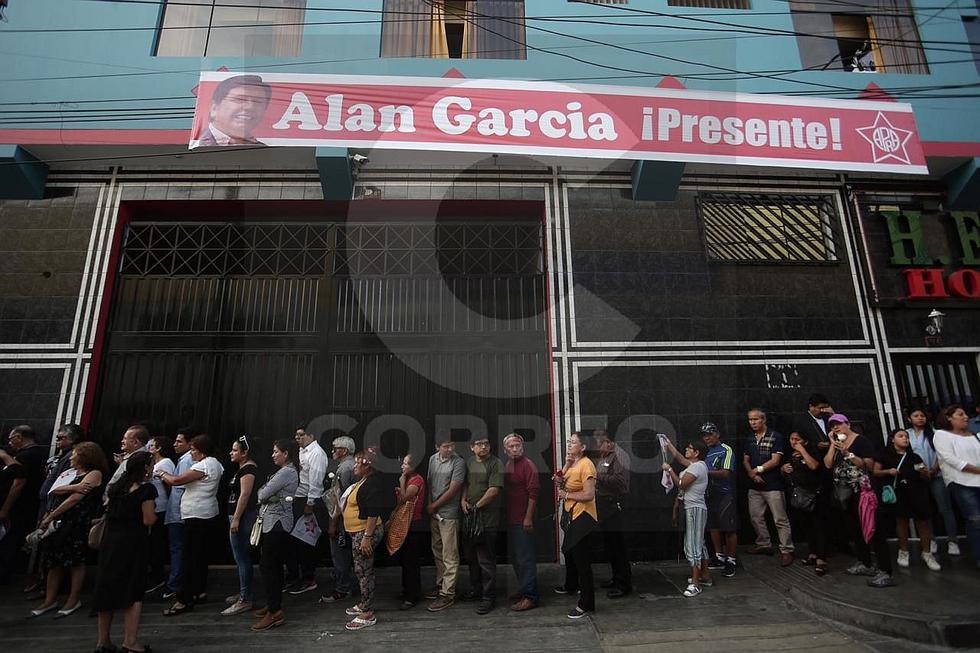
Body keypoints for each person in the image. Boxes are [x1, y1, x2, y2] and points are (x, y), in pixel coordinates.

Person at [29, 441, 107, 618]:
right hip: (59, 520)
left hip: (76, 522)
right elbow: (54, 490)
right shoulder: (69, 473)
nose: (71, 457)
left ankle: (73, 599)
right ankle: (50, 599)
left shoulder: (94, 474)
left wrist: (51, 515)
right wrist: (72, 487)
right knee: (53, 561)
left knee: (75, 561)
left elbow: (74, 499)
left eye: (75, 454)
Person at [92, 451, 156, 653]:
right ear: (146, 467)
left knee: (107, 587)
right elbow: (148, 519)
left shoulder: (116, 488)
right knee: (132, 590)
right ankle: (130, 641)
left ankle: (103, 641)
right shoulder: (146, 490)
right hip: (132, 542)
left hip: (110, 542)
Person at [823, 414, 895, 587]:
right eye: (832, 426)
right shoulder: (836, 443)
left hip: (862, 492)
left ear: (848, 424)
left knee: (873, 529)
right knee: (854, 529)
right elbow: (827, 464)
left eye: (838, 424)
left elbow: (868, 465)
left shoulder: (861, 441)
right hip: (843, 492)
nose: (835, 428)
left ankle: (885, 570)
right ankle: (865, 563)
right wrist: (833, 446)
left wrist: (847, 453)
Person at [160, 434, 224, 615]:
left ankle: (183, 599)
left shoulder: (203, 465)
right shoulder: (216, 464)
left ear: (202, 450)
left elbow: (176, 481)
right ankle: (199, 591)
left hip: (196, 514)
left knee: (189, 557)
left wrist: (161, 473)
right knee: (201, 555)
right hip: (207, 512)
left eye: (194, 450)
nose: (192, 453)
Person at [873, 429, 941, 572]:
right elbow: (876, 471)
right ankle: (903, 551)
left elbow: (926, 476)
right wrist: (888, 471)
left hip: (917, 492)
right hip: (899, 493)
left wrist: (924, 473)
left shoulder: (914, 457)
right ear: (892, 439)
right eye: (901, 436)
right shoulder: (885, 455)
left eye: (907, 437)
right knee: (901, 522)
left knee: (923, 523)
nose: (905, 439)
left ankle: (927, 553)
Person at [251, 439, 300, 632]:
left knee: (268, 565)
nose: (273, 455)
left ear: (286, 453)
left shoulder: (287, 472)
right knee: (274, 565)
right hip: (274, 522)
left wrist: (266, 493)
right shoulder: (283, 472)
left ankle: (275, 610)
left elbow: (262, 494)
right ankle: (273, 603)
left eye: (276, 451)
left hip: (277, 524)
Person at [342, 448, 393, 631]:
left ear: (368, 467)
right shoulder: (363, 481)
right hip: (358, 532)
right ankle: (364, 603)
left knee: (364, 570)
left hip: (365, 532)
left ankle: (368, 611)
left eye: (358, 462)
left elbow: (373, 512)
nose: (355, 465)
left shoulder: (372, 483)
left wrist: (367, 538)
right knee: (361, 569)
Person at [555, 432, 598, 619]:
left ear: (583, 447)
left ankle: (586, 603)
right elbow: (558, 481)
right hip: (571, 514)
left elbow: (589, 495)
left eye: (573, 443)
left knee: (582, 561)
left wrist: (567, 496)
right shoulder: (574, 463)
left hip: (583, 516)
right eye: (569, 442)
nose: (569, 445)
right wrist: (566, 463)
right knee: (570, 551)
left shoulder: (587, 465)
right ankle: (573, 586)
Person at [743, 408, 794, 565]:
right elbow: (746, 459)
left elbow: (775, 460)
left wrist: (757, 470)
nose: (753, 422)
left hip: (772, 484)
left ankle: (787, 549)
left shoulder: (775, 436)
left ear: (763, 420)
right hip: (755, 485)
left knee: (780, 518)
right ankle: (764, 544)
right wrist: (751, 474)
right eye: (750, 420)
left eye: (756, 419)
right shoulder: (750, 438)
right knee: (756, 517)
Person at [907, 407, 961, 556]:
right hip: (919, 477)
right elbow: (909, 456)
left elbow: (942, 454)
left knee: (945, 508)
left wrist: (934, 469)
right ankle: (931, 539)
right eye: (916, 415)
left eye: (922, 415)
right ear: (909, 419)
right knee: (925, 510)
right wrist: (922, 471)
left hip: (936, 475)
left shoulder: (936, 434)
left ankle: (952, 540)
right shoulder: (907, 435)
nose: (920, 418)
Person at [662, 440, 712, 597]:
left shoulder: (697, 467)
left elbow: (682, 484)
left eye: (689, 448)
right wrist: (667, 443)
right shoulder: (694, 465)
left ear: (696, 453)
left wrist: (669, 469)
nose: (686, 450)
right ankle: (705, 576)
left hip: (694, 509)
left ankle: (696, 584)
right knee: (699, 543)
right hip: (691, 507)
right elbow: (679, 458)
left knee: (693, 545)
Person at [461, 434, 503, 615]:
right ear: (472, 447)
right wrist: (463, 500)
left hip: (487, 520)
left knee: (486, 560)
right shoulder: (469, 463)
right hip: (469, 519)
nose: (484, 447)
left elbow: (494, 490)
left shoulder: (495, 464)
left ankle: (488, 597)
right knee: (471, 558)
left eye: (486, 444)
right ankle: (475, 590)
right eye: (479, 444)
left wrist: (477, 506)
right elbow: (466, 484)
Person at [933, 404, 980, 567]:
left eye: (966, 414)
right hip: (961, 482)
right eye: (960, 414)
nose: (965, 417)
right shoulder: (941, 435)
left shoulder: (975, 436)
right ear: (949, 418)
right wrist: (975, 469)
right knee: (975, 519)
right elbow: (949, 458)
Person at [0, 425, 48, 584]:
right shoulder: (38, 454)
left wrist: (5, 509)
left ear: (20, 437)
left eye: (11, 438)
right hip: (26, 505)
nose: (9, 442)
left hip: (17, 506)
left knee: (8, 540)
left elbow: (18, 482)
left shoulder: (25, 457)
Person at [286, 425, 328, 596]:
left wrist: (310, 503)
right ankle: (295, 576)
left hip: (307, 500)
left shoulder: (316, 453)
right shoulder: (302, 451)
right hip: (297, 498)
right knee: (294, 540)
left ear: (311, 435)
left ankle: (309, 578)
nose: (298, 438)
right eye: (296, 435)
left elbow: (316, 481)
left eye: (302, 435)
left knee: (305, 539)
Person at [425, 436, 467, 612]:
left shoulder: (458, 462)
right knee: (438, 549)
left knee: (450, 553)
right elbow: (429, 483)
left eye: (452, 445)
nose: (449, 449)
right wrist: (431, 507)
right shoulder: (432, 460)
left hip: (448, 514)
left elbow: (454, 488)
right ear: (437, 447)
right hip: (434, 514)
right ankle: (441, 584)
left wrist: (434, 505)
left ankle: (448, 594)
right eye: (445, 446)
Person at [780, 431, 830, 575]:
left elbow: (814, 466)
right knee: (806, 525)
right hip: (799, 496)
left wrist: (803, 451)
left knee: (819, 526)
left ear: (805, 442)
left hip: (815, 495)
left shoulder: (813, 452)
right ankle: (813, 553)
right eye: (792, 439)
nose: (794, 442)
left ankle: (822, 559)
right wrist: (783, 469)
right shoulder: (791, 454)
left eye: (798, 439)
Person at [592, 429, 632, 598]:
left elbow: (620, 481)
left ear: (609, 442)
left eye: (600, 443)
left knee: (618, 547)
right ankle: (615, 578)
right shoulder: (605, 457)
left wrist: (597, 478)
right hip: (603, 505)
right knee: (610, 545)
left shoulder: (619, 456)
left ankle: (624, 584)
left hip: (614, 504)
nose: (597, 446)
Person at [503, 433, 539, 612]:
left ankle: (530, 596)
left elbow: (533, 493)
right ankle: (524, 588)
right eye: (511, 447)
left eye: (518, 446)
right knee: (517, 559)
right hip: (512, 519)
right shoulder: (509, 464)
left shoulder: (528, 465)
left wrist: (528, 518)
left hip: (523, 520)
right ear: (506, 450)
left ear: (522, 448)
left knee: (525, 559)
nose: (515, 449)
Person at [319, 435, 356, 605]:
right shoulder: (349, 466)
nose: (332, 451)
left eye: (335, 448)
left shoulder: (344, 470)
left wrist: (333, 523)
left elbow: (342, 499)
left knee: (340, 554)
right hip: (348, 518)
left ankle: (342, 588)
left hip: (342, 520)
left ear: (344, 451)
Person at [224, 435, 258, 616]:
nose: (232, 453)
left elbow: (245, 495)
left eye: (236, 450)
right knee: (240, 558)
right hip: (236, 516)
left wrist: (236, 518)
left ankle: (245, 598)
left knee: (242, 557)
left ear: (244, 453)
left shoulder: (249, 470)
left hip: (243, 518)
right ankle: (244, 591)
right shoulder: (242, 469)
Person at [162, 429, 194, 599]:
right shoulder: (184, 459)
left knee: (178, 549)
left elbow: (180, 484)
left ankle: (175, 585)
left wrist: (162, 474)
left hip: (179, 513)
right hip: (177, 511)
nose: (175, 444)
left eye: (179, 441)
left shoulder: (188, 460)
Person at [197, 74, 272, 146]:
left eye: (257, 101)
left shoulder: (266, 151)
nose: (250, 107)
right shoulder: (195, 145)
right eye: (240, 99)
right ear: (214, 108)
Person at [394, 452, 426, 610]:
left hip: (414, 524)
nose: (402, 466)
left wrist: (401, 482)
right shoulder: (408, 479)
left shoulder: (417, 480)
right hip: (404, 523)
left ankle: (412, 596)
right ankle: (407, 590)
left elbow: (405, 498)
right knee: (405, 560)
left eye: (405, 464)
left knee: (411, 562)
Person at [147, 436, 176, 594]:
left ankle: (158, 576)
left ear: (158, 448)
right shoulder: (155, 463)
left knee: (157, 543)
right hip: (152, 508)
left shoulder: (165, 463)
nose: (148, 447)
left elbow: (169, 485)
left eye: (151, 445)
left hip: (160, 507)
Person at [108, 425, 151, 491]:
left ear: (136, 442)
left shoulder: (141, 460)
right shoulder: (132, 457)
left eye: (125, 438)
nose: (122, 441)